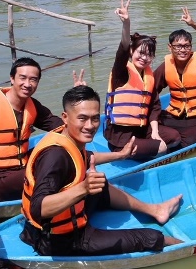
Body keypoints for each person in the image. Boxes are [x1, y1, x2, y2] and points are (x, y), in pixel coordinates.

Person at [19, 85, 183, 256]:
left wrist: (120, 155)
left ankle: (156, 210)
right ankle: (185, 246)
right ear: (65, 117)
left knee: (100, 184)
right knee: (150, 237)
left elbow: (87, 157)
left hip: (60, 222)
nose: (90, 126)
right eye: (82, 118)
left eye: (95, 118)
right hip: (58, 240)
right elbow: (38, 209)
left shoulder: (67, 137)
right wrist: (83, 188)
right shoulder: (55, 157)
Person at [0, 59, 131, 202]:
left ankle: (118, 156)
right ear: (12, 78)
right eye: (23, 78)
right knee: (59, 163)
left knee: (64, 148)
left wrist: (77, 103)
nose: (28, 84)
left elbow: (63, 125)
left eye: (33, 79)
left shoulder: (32, 106)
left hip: (21, 167)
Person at [104, 0, 181, 159]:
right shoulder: (121, 71)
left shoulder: (148, 77)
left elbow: (154, 107)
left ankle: (143, 149)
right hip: (120, 136)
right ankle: (124, 152)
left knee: (174, 137)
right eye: (141, 52)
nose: (144, 58)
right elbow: (123, 49)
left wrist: (155, 132)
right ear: (132, 52)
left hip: (140, 129)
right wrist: (126, 23)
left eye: (149, 54)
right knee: (161, 147)